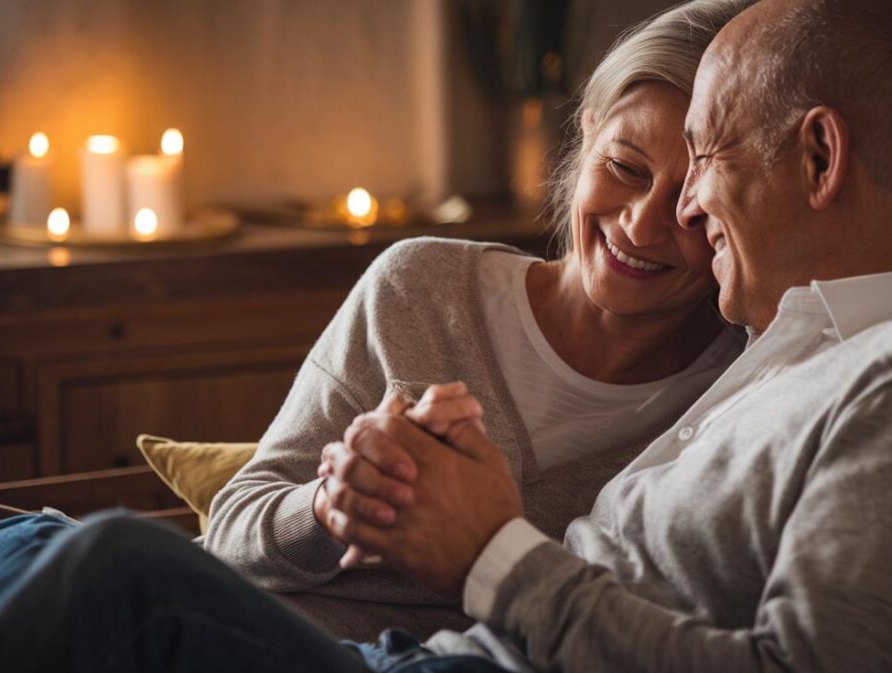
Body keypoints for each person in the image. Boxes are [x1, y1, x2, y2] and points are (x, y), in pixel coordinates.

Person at [0, 0, 892, 671]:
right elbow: (251, 524)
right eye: (636, 167)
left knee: (105, 568)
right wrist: (352, 501)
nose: (685, 213)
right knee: (16, 551)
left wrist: (486, 550)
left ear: (819, 158)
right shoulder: (804, 340)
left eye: (708, 156)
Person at [201, 0, 748, 628]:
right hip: (238, 624)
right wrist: (332, 505)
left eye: (693, 204)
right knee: (92, 552)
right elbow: (231, 532)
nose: (641, 225)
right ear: (588, 135)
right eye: (624, 168)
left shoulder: (735, 390)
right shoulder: (422, 288)